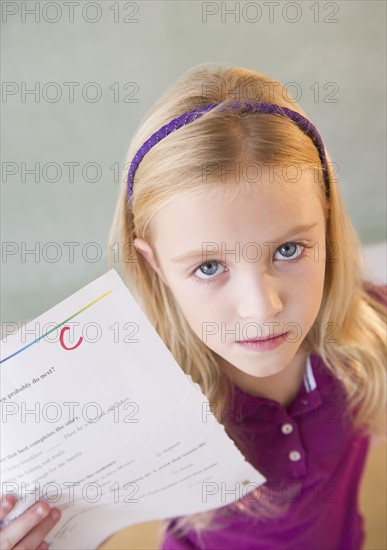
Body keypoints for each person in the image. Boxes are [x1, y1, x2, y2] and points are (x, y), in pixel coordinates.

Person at [1, 64, 386, 549]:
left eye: (288, 250)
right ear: (155, 263)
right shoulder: (134, 398)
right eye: (209, 267)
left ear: (326, 226)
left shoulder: (368, 328)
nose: (261, 307)